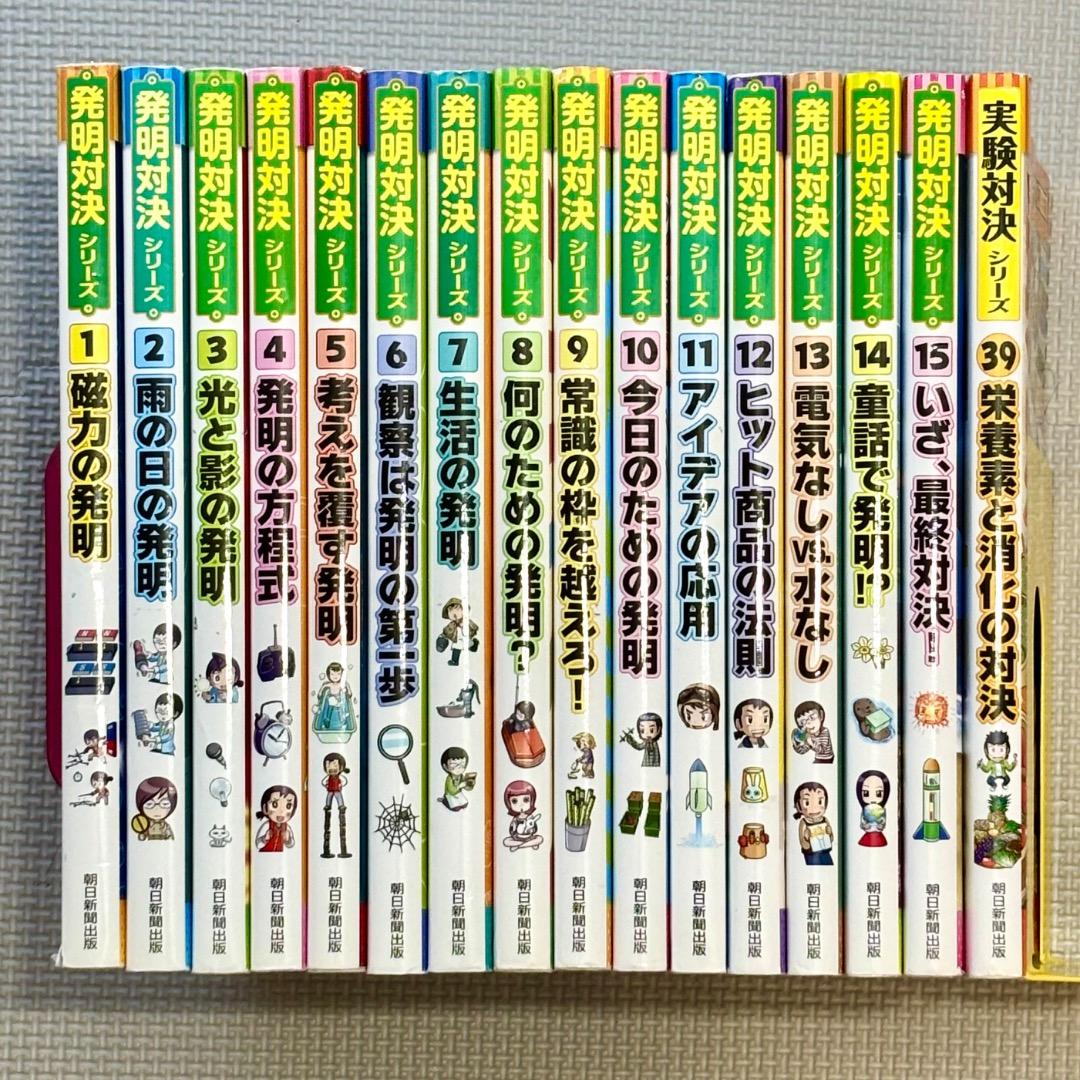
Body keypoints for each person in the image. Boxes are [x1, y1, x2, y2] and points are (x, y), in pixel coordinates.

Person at [792, 781, 834, 865]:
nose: (814, 808)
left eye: (820, 801)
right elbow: (803, 843)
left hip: (825, 851)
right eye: (807, 803)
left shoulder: (825, 820)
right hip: (811, 854)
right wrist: (806, 838)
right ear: (798, 806)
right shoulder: (803, 823)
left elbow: (831, 839)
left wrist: (830, 833)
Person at [312, 662, 357, 738]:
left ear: (341, 675)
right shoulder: (329, 684)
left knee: (341, 710)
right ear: (329, 675)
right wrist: (320, 693)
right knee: (328, 710)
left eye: (338, 674)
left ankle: (343, 720)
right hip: (330, 699)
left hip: (339, 699)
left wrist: (348, 690)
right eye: (332, 674)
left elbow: (349, 693)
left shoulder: (342, 684)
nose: (335, 676)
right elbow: (322, 689)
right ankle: (327, 721)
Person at [320, 753, 351, 858]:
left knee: (338, 799)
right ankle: (328, 807)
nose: (331, 769)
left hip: (336, 791)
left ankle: (340, 807)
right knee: (329, 800)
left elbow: (343, 782)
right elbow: (324, 782)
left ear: (341, 767)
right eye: (328, 766)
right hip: (331, 791)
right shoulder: (328, 778)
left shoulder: (338, 777)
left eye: (334, 766)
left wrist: (340, 785)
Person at [435, 598, 479, 667]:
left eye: (457, 609)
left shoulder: (466, 621)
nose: (454, 612)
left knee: (468, 644)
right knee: (457, 646)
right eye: (450, 610)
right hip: (458, 638)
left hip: (464, 636)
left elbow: (473, 626)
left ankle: (474, 644)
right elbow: (447, 630)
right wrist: (443, 636)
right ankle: (455, 661)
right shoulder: (452, 624)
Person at [132, 776, 178, 840]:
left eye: (164, 804)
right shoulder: (145, 824)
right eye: (149, 804)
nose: (157, 809)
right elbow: (142, 836)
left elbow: (170, 836)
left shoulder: (165, 826)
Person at [503, 780, 543, 850]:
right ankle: (528, 844)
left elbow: (535, 828)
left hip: (529, 837)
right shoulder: (515, 819)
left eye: (526, 800)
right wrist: (515, 831)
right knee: (506, 841)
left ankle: (519, 846)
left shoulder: (530, 817)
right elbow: (512, 830)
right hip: (517, 838)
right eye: (514, 801)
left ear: (532, 800)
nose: (521, 805)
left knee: (540, 838)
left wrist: (531, 829)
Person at [255, 785, 297, 852]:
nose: (281, 811)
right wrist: (264, 838)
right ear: (265, 808)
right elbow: (257, 845)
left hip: (280, 856)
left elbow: (291, 845)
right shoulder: (266, 825)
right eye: (275, 804)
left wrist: (288, 839)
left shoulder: (287, 827)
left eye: (288, 806)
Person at [856, 770, 890, 847]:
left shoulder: (882, 809)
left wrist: (881, 826)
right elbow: (862, 820)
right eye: (866, 793)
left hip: (878, 832)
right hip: (868, 832)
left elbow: (883, 819)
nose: (872, 798)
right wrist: (865, 826)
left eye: (878, 793)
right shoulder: (865, 809)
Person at [437, 747, 475, 811]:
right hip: (450, 795)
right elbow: (451, 790)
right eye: (454, 765)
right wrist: (461, 785)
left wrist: (469, 784)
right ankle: (444, 800)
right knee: (455, 808)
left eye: (462, 765)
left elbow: (466, 787)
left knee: (465, 804)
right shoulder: (449, 778)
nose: (459, 768)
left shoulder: (461, 776)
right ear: (445, 767)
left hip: (458, 793)